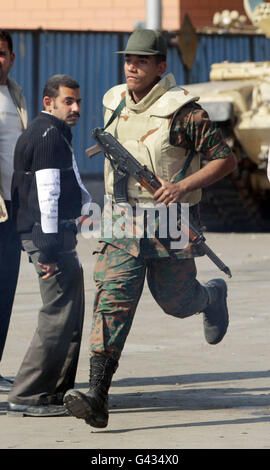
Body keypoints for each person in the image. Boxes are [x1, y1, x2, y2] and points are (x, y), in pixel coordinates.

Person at [64, 29, 237, 428]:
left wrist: (182, 187)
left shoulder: (187, 113)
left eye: (141, 61)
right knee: (112, 301)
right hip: (122, 220)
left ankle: (211, 297)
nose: (132, 66)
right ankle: (97, 396)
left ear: (161, 66)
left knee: (176, 302)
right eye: (128, 59)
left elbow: (225, 160)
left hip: (171, 221)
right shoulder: (113, 101)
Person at [8, 74, 91, 416]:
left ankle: (56, 391)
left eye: (78, 102)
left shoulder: (52, 133)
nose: (75, 108)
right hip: (48, 239)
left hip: (54, 237)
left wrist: (84, 205)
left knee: (70, 311)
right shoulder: (47, 136)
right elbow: (47, 196)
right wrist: (48, 250)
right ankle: (28, 394)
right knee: (57, 315)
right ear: (48, 103)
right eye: (67, 102)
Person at [0, 30, 28, 392]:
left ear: (11, 57)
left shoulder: (16, 94)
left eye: (1, 53)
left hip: (11, 208)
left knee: (5, 291)